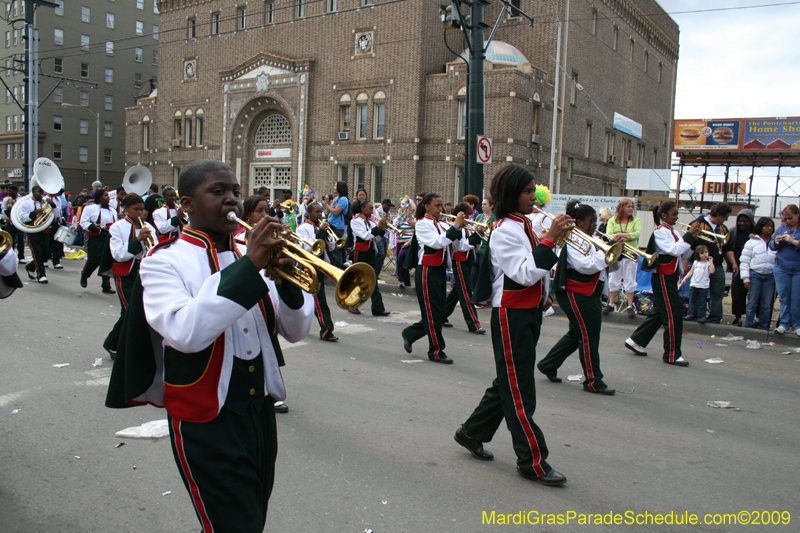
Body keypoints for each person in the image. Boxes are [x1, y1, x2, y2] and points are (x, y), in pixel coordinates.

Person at [105, 159, 313, 532]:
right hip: (205, 417)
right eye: (217, 192)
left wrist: (286, 282)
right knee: (235, 524)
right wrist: (249, 267)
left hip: (258, 412)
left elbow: (296, 331)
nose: (231, 200)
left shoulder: (250, 256)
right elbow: (186, 331)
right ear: (187, 204)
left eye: (234, 191)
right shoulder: (163, 261)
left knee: (251, 516)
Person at [454, 165, 571, 486]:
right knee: (520, 391)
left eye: (534, 191)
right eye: (527, 192)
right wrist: (551, 239)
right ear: (510, 195)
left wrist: (545, 292)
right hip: (511, 314)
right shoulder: (505, 229)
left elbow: (535, 268)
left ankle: (471, 432)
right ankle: (532, 461)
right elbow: (522, 273)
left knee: (509, 381)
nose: (533, 197)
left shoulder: (524, 224)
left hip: (529, 310)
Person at [538, 200, 617, 395]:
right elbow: (586, 266)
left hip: (589, 291)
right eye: (591, 221)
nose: (595, 225)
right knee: (589, 336)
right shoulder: (573, 239)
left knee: (577, 334)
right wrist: (605, 254)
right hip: (576, 292)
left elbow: (605, 268)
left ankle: (549, 364)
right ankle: (593, 381)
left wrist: (614, 254)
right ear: (580, 221)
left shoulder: (590, 238)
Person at [625, 202, 697, 366]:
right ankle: (672, 355)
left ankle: (635, 341)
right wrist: (688, 236)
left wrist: (693, 240)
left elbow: (683, 253)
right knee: (673, 315)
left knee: (660, 313)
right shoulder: (660, 233)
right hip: (663, 277)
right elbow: (674, 250)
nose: (677, 217)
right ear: (664, 215)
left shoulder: (675, 233)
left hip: (671, 276)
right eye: (674, 214)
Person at [401, 193, 464, 363]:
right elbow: (436, 243)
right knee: (431, 312)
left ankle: (411, 333)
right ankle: (436, 351)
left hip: (440, 270)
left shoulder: (443, 224)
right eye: (437, 205)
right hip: (427, 270)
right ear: (427, 206)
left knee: (438, 312)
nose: (441, 209)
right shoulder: (422, 224)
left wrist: (468, 233)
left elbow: (458, 246)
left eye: (441, 205)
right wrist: (455, 228)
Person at [103, 193, 156, 358]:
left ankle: (112, 343)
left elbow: (153, 249)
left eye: (142, 210)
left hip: (143, 273)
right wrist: (138, 239)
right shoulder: (117, 227)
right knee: (129, 311)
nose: (140, 213)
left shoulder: (149, 227)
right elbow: (118, 254)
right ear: (126, 209)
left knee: (136, 311)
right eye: (136, 209)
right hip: (125, 273)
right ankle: (117, 345)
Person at [683, 202, 732, 324]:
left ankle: (715, 317)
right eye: (725, 216)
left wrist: (732, 263)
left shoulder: (723, 229)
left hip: (716, 264)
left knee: (718, 292)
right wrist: (685, 262)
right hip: (700, 264)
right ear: (719, 214)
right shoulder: (698, 224)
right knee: (699, 291)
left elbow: (726, 248)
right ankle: (697, 315)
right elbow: (687, 244)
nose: (726, 219)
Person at [298, 202, 338, 341]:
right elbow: (309, 248)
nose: (320, 214)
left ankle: (300, 326)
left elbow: (332, 248)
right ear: (309, 213)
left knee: (306, 300)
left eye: (321, 212)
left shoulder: (320, 228)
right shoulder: (303, 229)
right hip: (310, 266)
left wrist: (328, 235)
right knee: (319, 299)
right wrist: (321, 232)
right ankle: (327, 331)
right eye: (317, 212)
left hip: (322, 265)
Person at [444, 202, 485, 333]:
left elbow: (474, 246)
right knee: (466, 293)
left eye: (469, 214)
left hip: (468, 259)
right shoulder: (455, 227)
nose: (467, 216)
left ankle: (441, 316)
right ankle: (474, 323)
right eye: (465, 214)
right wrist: (476, 236)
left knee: (457, 291)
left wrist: (479, 237)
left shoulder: (468, 227)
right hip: (459, 261)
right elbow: (460, 247)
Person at [349, 199, 391, 317]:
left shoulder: (371, 223)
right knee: (358, 279)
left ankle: (378, 308)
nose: (372, 211)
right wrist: (378, 227)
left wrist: (382, 230)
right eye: (370, 208)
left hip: (371, 252)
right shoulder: (355, 222)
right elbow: (365, 236)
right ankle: (353, 305)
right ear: (363, 209)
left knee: (373, 279)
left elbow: (375, 239)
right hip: (360, 252)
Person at [605, 198, 641, 315]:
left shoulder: (636, 220)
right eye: (628, 206)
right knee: (614, 278)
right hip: (617, 253)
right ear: (622, 208)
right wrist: (627, 236)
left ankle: (630, 306)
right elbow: (609, 235)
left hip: (630, 254)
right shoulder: (612, 220)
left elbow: (636, 234)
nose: (631, 209)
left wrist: (619, 235)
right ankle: (611, 303)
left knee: (630, 278)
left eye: (632, 206)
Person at [769, 204, 800, 335]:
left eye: (791, 218)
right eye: (786, 218)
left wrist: (793, 241)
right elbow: (771, 245)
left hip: (798, 268)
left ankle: (797, 325)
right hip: (781, 267)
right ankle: (784, 323)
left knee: (796, 298)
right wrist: (776, 242)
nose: (788, 221)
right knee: (784, 296)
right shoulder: (782, 228)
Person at [79, 187, 117, 293]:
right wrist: (93, 226)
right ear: (99, 197)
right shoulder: (90, 208)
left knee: (107, 261)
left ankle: (106, 285)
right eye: (105, 195)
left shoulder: (113, 210)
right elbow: (83, 222)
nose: (108, 197)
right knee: (94, 260)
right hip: (95, 238)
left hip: (108, 238)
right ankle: (85, 274)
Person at [741, 217, 776, 330]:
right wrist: (746, 278)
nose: (770, 229)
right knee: (752, 302)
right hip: (755, 275)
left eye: (771, 226)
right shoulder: (752, 242)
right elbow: (745, 260)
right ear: (761, 227)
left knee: (766, 304)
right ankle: (748, 325)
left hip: (770, 276)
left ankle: (764, 326)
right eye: (767, 226)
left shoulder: (775, 242)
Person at [17, 185, 55, 283]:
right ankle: (41, 275)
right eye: (39, 192)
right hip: (33, 230)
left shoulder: (46, 203)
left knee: (45, 253)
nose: (41, 194)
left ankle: (30, 267)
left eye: (42, 192)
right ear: (33, 192)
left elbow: (57, 214)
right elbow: (23, 218)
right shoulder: (25, 203)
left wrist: (53, 205)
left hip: (45, 230)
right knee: (37, 252)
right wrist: (35, 213)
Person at [723, 209, 755, 326]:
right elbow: (727, 249)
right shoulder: (732, 232)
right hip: (738, 269)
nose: (742, 224)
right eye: (740, 221)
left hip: (754, 269)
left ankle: (754, 318)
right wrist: (732, 264)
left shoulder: (756, 233)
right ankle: (738, 317)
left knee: (754, 296)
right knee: (737, 295)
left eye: (745, 221)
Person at [680, 245, 714, 324]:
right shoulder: (696, 262)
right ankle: (690, 314)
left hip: (704, 286)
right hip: (694, 285)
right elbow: (691, 272)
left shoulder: (708, 263)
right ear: (698, 254)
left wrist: (711, 262)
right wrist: (685, 278)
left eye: (706, 252)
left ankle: (701, 316)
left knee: (702, 302)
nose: (705, 254)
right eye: (702, 253)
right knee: (692, 301)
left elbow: (712, 271)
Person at [471, 197, 495, 293]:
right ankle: (473, 293)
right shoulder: (479, 216)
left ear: (491, 206)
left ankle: (482, 296)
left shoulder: (495, 217)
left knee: (483, 274)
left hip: (486, 248)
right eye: (482, 204)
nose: (482, 206)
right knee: (473, 273)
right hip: (477, 248)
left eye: (485, 204)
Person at [323, 181, 350, 268]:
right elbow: (330, 212)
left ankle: (339, 268)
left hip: (337, 226)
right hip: (332, 224)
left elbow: (335, 212)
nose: (334, 187)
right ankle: (333, 266)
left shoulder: (343, 199)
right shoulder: (336, 199)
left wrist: (327, 204)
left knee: (336, 249)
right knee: (331, 249)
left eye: (335, 185)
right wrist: (328, 204)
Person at [1, 185, 25, 262]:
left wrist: (14, 204)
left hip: (19, 222)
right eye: (8, 191)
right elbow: (3, 210)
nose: (8, 192)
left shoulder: (21, 199)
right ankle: (11, 256)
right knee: (10, 239)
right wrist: (7, 209)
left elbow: (22, 210)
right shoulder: (6, 199)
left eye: (10, 191)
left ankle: (21, 256)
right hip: (10, 222)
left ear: (15, 191)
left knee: (20, 239)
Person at [394, 198, 415, 289]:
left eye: (404, 205)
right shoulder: (402, 216)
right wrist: (399, 215)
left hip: (408, 241)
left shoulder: (413, 217)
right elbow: (397, 226)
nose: (402, 206)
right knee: (402, 263)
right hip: (400, 240)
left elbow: (415, 231)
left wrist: (410, 241)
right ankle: (406, 283)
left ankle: (401, 278)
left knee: (401, 257)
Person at [373, 198, 393, 276]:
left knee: (383, 255)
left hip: (385, 235)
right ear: (383, 204)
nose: (389, 207)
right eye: (388, 205)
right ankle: (374, 273)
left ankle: (377, 274)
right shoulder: (377, 212)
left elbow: (390, 223)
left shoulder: (389, 214)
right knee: (380, 253)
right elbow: (376, 222)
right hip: (379, 235)